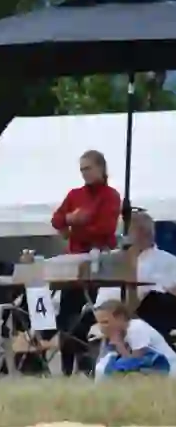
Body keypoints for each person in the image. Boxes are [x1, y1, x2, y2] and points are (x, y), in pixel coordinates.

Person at [50, 150, 122, 376]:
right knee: (65, 314)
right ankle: (66, 367)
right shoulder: (74, 194)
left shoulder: (111, 196)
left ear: (101, 168)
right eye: (82, 170)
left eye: (88, 168)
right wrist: (72, 220)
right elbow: (56, 219)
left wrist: (74, 228)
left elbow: (104, 230)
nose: (84, 174)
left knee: (89, 312)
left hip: (99, 262)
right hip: (75, 263)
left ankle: (87, 362)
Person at [93, 299, 176, 380]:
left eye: (105, 322)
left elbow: (136, 362)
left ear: (120, 318)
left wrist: (118, 343)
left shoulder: (136, 328)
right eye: (99, 323)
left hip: (167, 366)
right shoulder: (118, 333)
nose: (102, 327)